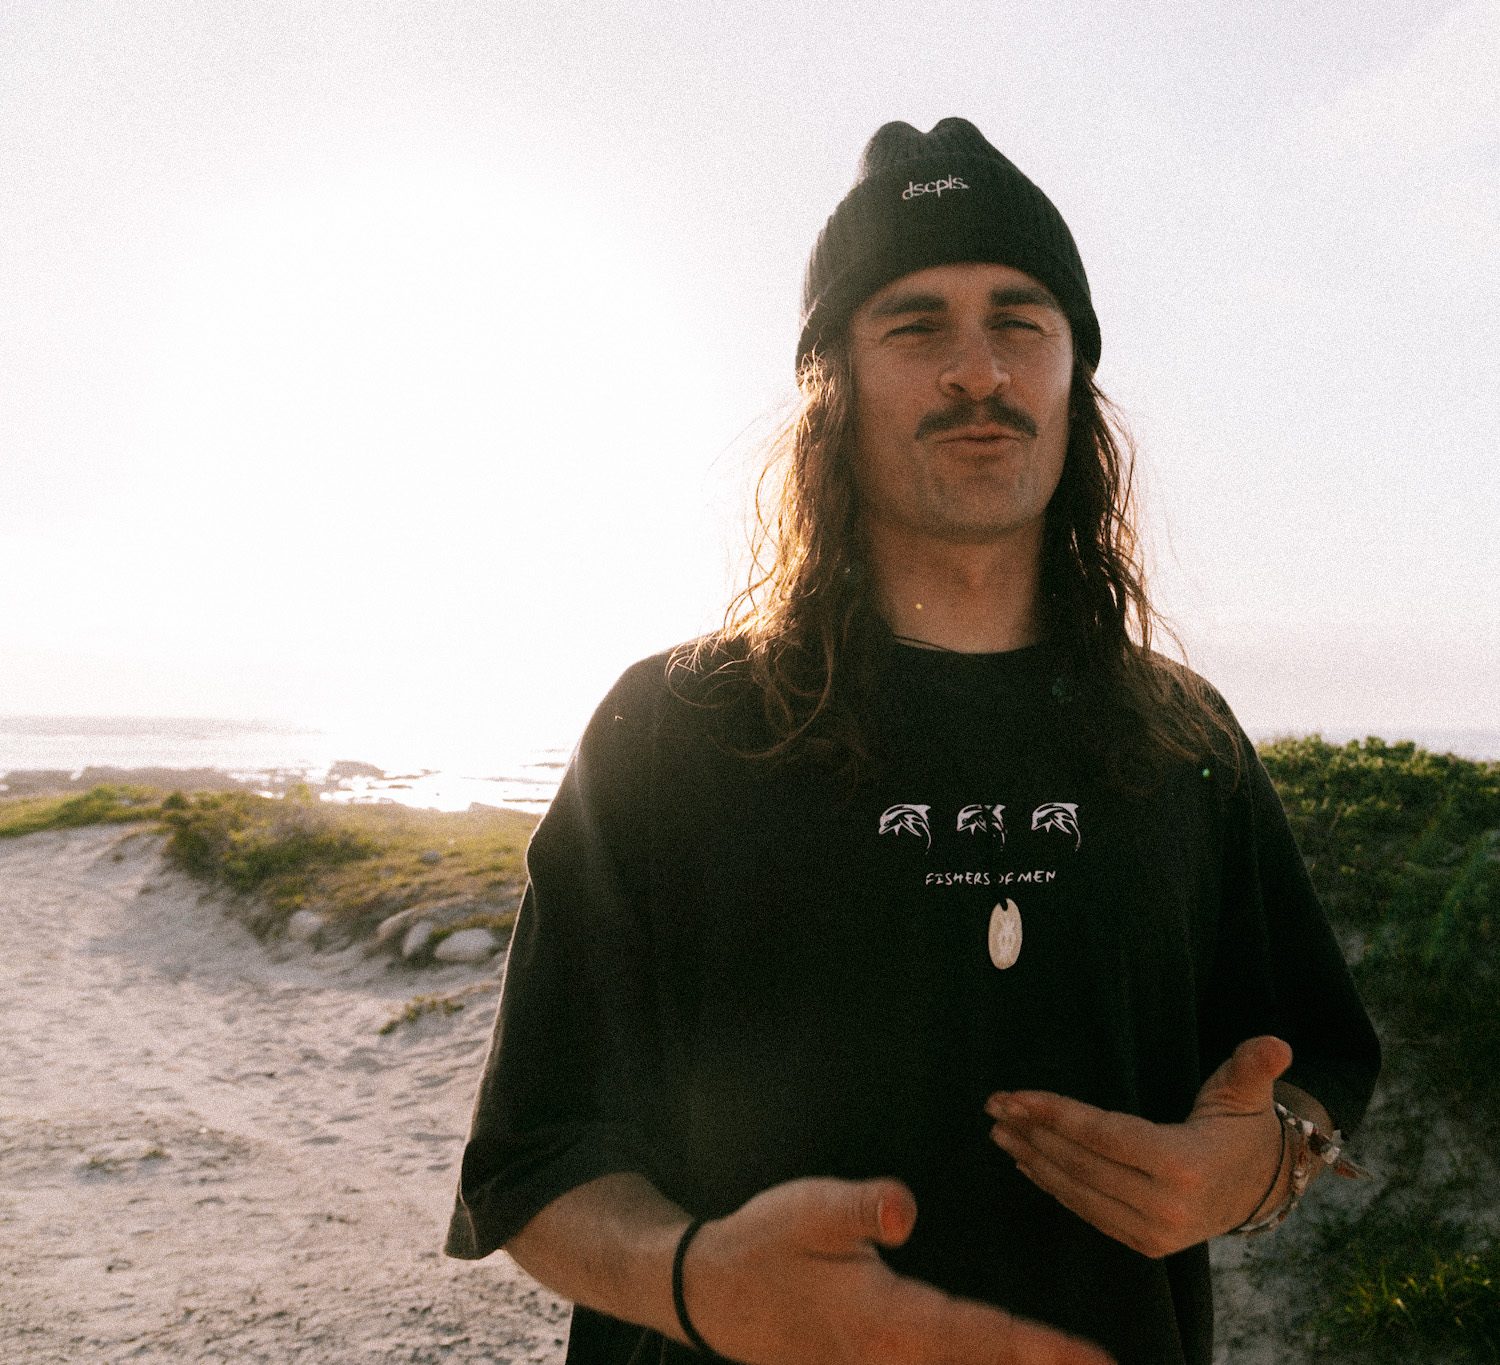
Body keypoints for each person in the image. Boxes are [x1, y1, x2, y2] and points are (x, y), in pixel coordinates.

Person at [445, 118, 1381, 1365]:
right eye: (915, 325)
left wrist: (1256, 1170)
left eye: (1021, 322)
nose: (977, 371)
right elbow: (533, 1158)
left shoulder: (1181, 739)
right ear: (831, 386)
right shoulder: (672, 730)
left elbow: (1314, 1056)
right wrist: (696, 1282)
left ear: (1074, 379)